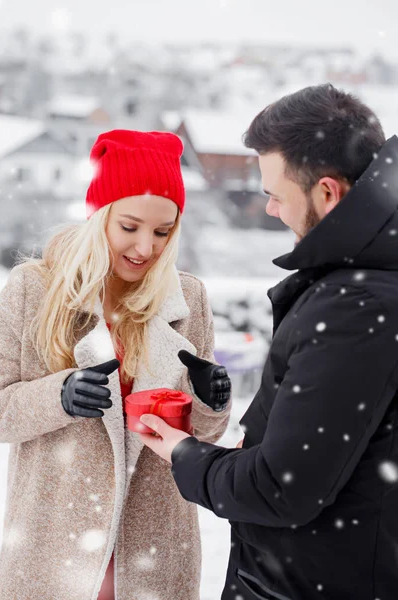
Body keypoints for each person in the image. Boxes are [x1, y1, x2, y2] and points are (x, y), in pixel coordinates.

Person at [138, 84, 398, 600]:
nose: (273, 211)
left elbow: (282, 487)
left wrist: (186, 455)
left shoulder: (357, 306)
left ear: (329, 192)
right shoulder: (368, 281)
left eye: (277, 196)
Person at [0, 129, 232, 600]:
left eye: (162, 232)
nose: (146, 248)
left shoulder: (187, 299)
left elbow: (202, 437)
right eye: (130, 226)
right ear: (98, 215)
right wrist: (57, 395)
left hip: (154, 550)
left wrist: (212, 402)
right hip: (54, 548)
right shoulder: (33, 291)